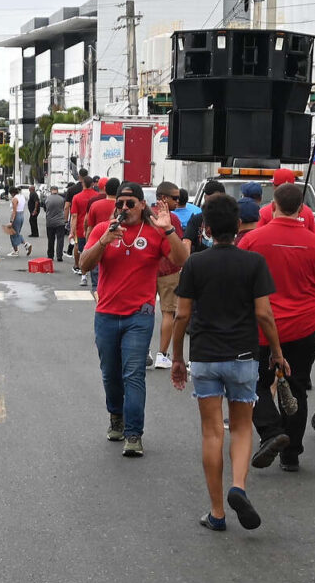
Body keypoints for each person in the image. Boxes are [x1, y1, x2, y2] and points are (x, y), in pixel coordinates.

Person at [164, 201, 281, 531]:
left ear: (207, 230)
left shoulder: (196, 265)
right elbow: (263, 314)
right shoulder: (254, 263)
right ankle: (238, 486)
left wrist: (176, 358)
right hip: (244, 356)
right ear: (240, 225)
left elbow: (183, 315)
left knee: (212, 432)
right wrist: (276, 351)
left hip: (205, 357)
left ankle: (217, 513)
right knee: (242, 428)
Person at [77, 183, 188, 457]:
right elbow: (83, 264)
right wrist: (103, 242)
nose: (124, 208)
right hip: (106, 313)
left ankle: (134, 434)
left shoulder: (155, 231)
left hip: (140, 315)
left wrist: (169, 230)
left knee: (134, 374)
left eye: (130, 203)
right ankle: (116, 416)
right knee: (110, 374)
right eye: (121, 203)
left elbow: (181, 258)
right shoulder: (104, 229)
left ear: (141, 205)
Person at [241, 183, 315, 473]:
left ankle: (271, 431)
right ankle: (292, 453)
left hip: (261, 327)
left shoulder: (252, 240)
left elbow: (238, 284)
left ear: (272, 206)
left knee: (255, 384)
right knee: (297, 385)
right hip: (303, 326)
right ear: (302, 208)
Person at [150, 182, 197, 369]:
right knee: (168, 312)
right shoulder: (172, 219)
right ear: (163, 198)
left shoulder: (144, 215)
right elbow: (177, 245)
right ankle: (162, 354)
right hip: (168, 270)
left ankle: (145, 352)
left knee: (145, 311)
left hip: (147, 269)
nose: (178, 201)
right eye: (175, 198)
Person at [40, 183, 71, 264]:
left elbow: (45, 209)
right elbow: (64, 208)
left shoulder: (47, 199)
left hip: (50, 222)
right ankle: (59, 256)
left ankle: (50, 255)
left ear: (51, 191)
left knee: (51, 239)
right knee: (60, 239)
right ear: (57, 191)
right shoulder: (62, 199)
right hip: (60, 222)